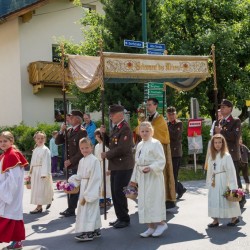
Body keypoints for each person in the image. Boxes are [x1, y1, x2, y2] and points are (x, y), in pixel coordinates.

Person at [130, 122, 167, 238]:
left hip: (153, 176)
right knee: (144, 201)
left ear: (151, 131)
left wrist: (151, 167)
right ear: (139, 132)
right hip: (142, 177)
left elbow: (161, 160)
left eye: (147, 131)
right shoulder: (140, 145)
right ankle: (150, 227)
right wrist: (133, 179)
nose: (145, 133)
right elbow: (137, 163)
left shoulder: (156, 143)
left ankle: (161, 224)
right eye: (142, 131)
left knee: (153, 200)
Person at [100, 104, 134, 228]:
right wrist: (104, 135)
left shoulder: (125, 128)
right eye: (109, 115)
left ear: (120, 114)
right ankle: (120, 217)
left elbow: (122, 149)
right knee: (115, 193)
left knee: (119, 192)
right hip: (116, 165)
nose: (110, 117)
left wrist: (107, 154)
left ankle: (124, 219)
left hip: (124, 165)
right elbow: (111, 144)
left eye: (112, 115)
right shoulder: (116, 128)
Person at [213, 99, 246, 209]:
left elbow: (235, 137)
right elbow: (215, 138)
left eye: (224, 107)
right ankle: (228, 199)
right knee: (225, 178)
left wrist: (221, 131)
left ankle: (240, 199)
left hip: (232, 155)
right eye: (221, 107)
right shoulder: (219, 121)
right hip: (221, 155)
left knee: (235, 178)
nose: (221, 109)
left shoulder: (235, 121)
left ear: (230, 109)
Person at [55, 110, 87, 217]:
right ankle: (71, 208)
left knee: (74, 186)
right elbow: (58, 142)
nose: (69, 119)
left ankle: (71, 208)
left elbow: (81, 151)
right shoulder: (69, 130)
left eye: (71, 117)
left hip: (76, 164)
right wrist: (61, 131)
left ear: (77, 119)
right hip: (68, 164)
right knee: (70, 186)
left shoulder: (82, 131)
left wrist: (71, 161)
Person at [0, 131, 28, 250]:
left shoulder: (12, 155)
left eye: (5, 141)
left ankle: (16, 242)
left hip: (10, 193)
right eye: (0, 141)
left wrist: (4, 191)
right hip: (6, 191)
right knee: (12, 216)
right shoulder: (5, 154)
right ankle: (17, 242)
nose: (2, 143)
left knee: (9, 216)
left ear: (12, 141)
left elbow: (14, 178)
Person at [146, 98, 176, 209]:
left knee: (160, 174)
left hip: (159, 150)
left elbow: (162, 135)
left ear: (155, 106)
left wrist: (148, 131)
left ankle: (164, 199)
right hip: (149, 151)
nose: (147, 107)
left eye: (149, 105)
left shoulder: (160, 119)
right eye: (147, 105)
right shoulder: (147, 118)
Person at [206, 134, 241, 227]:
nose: (217, 144)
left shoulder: (226, 156)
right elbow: (209, 171)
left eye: (220, 142)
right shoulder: (211, 156)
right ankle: (215, 220)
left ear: (223, 143)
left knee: (226, 199)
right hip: (214, 181)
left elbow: (231, 171)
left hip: (224, 180)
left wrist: (233, 187)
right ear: (213, 144)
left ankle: (234, 218)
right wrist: (209, 183)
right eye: (215, 142)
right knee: (214, 199)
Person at [74, 138, 102, 241]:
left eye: (87, 147)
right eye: (82, 148)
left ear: (91, 147)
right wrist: (72, 182)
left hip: (90, 188)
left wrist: (88, 193)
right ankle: (95, 230)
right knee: (87, 209)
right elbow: (80, 175)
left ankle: (88, 233)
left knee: (89, 210)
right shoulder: (82, 160)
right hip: (84, 187)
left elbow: (96, 178)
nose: (84, 150)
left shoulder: (94, 160)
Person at [29, 131, 54, 214]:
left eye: (42, 138)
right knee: (38, 189)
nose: (40, 140)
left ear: (45, 139)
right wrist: (30, 173)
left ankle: (39, 207)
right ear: (35, 139)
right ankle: (49, 198)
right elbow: (32, 162)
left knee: (40, 190)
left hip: (41, 172)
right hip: (35, 172)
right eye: (38, 138)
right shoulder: (36, 149)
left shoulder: (45, 150)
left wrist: (44, 174)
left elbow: (46, 162)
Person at [166, 106, 187, 200]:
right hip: (167, 152)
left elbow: (175, 135)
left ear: (175, 114)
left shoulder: (179, 123)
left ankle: (173, 194)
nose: (171, 116)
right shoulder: (167, 124)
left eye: (173, 114)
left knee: (173, 174)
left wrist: (166, 127)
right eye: (169, 114)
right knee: (169, 174)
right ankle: (180, 189)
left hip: (175, 153)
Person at [94, 128, 112, 207]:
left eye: (96, 136)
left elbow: (109, 157)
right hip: (99, 165)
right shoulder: (97, 146)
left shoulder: (106, 145)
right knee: (100, 183)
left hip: (106, 165)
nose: (95, 138)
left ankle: (107, 199)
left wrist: (109, 169)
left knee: (106, 182)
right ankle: (101, 199)